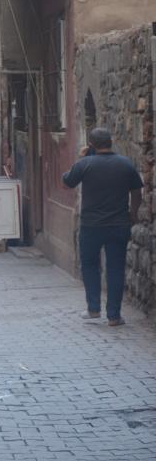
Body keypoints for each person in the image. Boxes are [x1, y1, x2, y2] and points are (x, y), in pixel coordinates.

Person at [62, 128, 143, 327]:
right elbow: (137, 192)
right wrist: (132, 214)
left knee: (90, 266)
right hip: (118, 224)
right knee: (116, 268)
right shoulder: (125, 164)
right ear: (111, 142)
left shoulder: (85, 164)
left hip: (91, 226)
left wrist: (80, 158)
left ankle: (93, 309)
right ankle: (114, 316)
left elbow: (67, 183)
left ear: (91, 144)